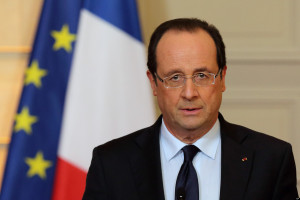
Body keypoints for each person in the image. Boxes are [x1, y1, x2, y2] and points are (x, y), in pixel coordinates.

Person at [82, 18, 299, 200]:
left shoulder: (271, 160)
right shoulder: (111, 164)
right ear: (153, 83)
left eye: (202, 76)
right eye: (174, 77)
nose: (189, 93)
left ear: (222, 78)